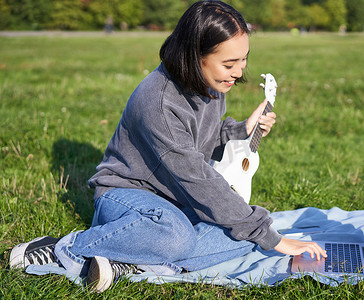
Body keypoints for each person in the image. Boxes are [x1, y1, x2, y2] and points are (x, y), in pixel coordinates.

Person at [9, 0, 326, 292]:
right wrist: (270, 236)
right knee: (203, 232)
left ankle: (127, 260)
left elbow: (201, 138)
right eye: (229, 63)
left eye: (243, 59)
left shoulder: (211, 84)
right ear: (194, 55)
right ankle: (65, 248)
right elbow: (196, 177)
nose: (240, 71)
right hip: (127, 197)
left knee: (244, 235)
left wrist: (241, 130)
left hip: (173, 200)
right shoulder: (159, 101)